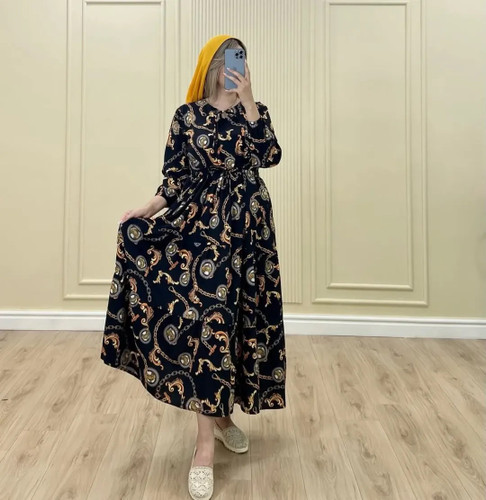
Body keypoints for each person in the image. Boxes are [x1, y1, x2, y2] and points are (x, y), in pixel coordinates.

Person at [100, 34, 286, 500]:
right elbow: (175, 178)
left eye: (241, 58)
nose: (235, 65)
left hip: (249, 235)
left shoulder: (255, 112)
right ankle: (204, 448)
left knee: (237, 324)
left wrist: (249, 103)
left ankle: (221, 418)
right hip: (202, 229)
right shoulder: (187, 116)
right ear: (211, 64)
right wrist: (148, 208)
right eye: (227, 58)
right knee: (209, 323)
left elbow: (270, 156)